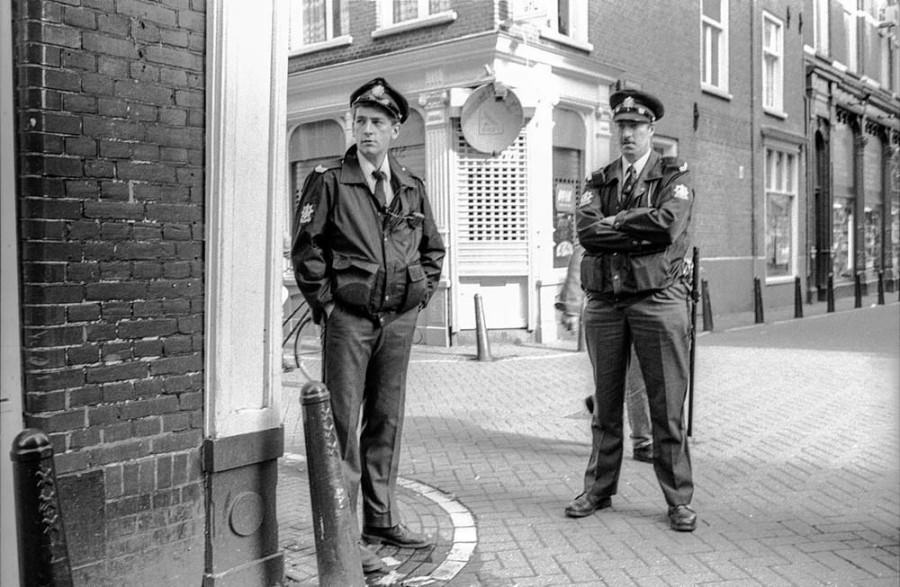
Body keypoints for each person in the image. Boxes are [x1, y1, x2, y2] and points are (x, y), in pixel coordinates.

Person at [291, 78, 446, 573]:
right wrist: (328, 308)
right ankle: (343, 535)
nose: (367, 130)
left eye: (378, 122)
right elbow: (306, 251)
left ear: (396, 129)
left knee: (386, 420)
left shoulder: (410, 186)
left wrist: (415, 300)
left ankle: (381, 521)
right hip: (350, 322)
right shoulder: (330, 179)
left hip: (396, 323)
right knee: (341, 425)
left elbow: (432, 251)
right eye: (360, 121)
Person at [564, 88, 697, 532]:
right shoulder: (599, 180)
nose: (627, 133)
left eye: (636, 126)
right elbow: (586, 232)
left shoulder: (672, 175)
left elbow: (666, 226)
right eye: (621, 125)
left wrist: (616, 222)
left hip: (657, 301)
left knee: (666, 406)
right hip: (605, 303)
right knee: (605, 405)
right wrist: (632, 226)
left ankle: (678, 499)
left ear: (651, 131)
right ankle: (599, 490)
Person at [556, 241, 654, 463]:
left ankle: (601, 404)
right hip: (609, 309)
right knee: (632, 380)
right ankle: (643, 441)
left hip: (645, 307)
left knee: (638, 377)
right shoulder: (602, 219)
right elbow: (581, 255)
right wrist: (571, 307)